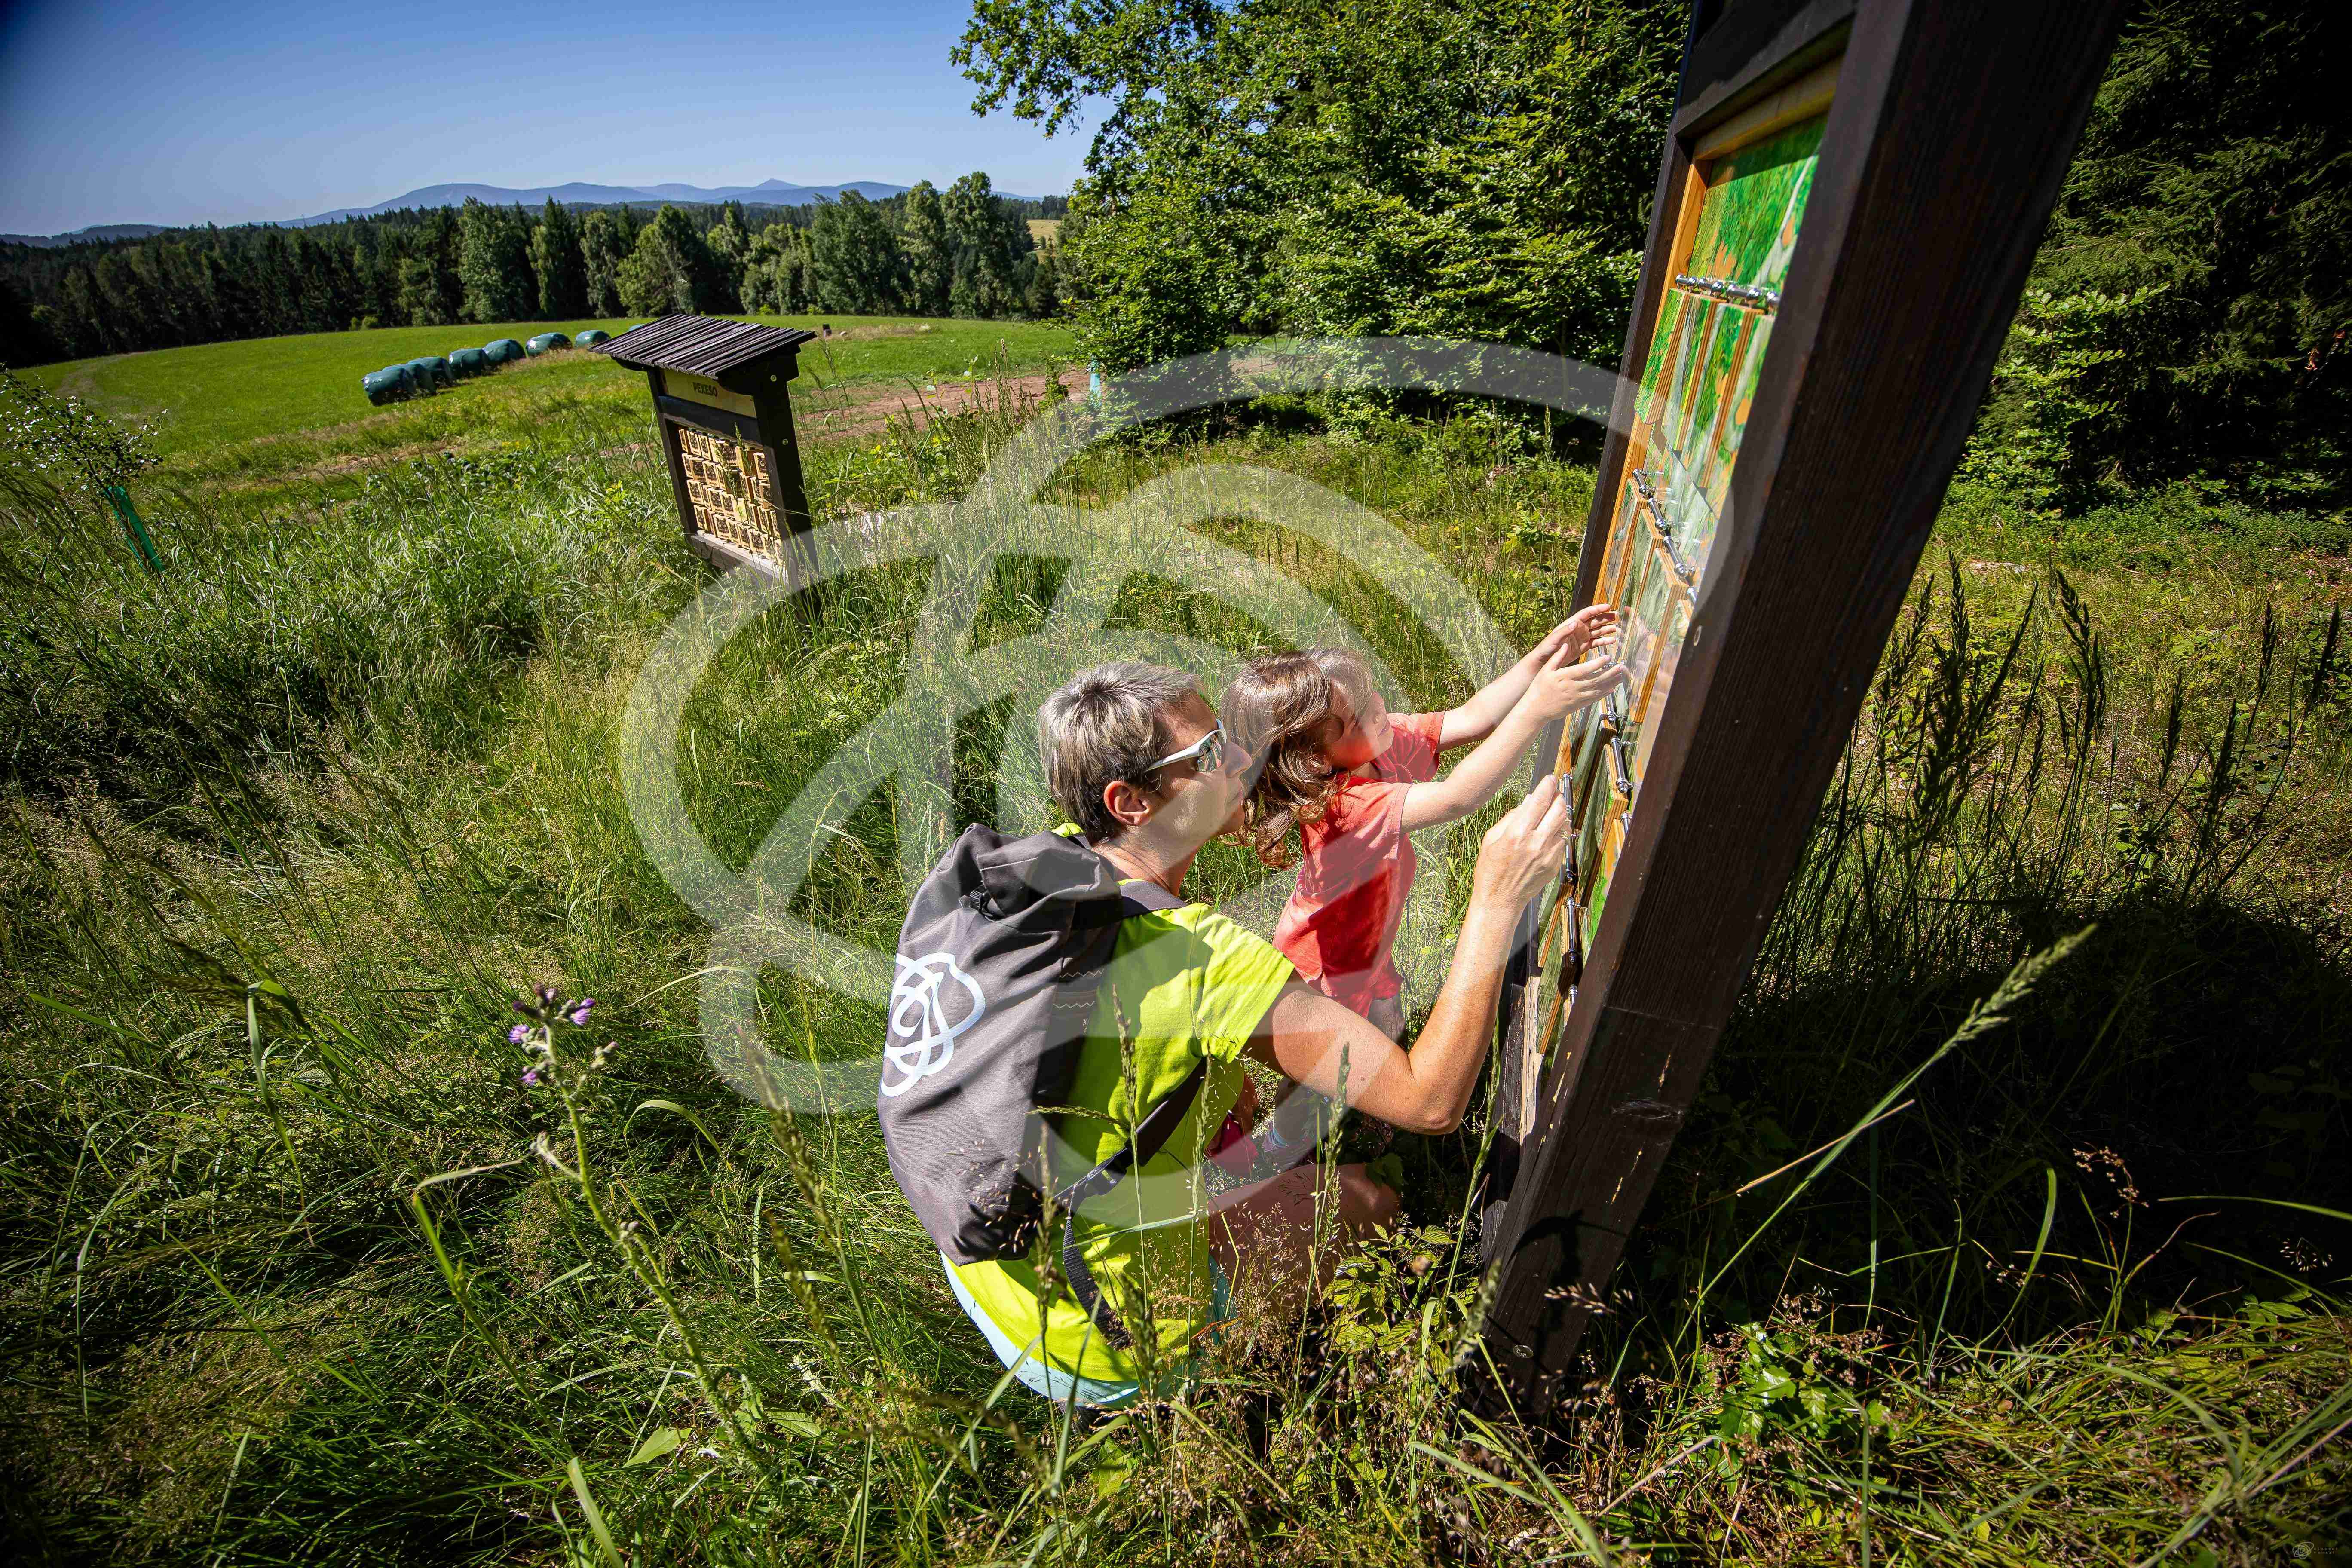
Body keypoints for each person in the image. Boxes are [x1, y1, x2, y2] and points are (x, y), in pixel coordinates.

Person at [942, 661, 1573, 1407]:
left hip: (995, 1267)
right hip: (1107, 1338)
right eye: (1210, 753)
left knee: (1265, 1151)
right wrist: (1495, 899)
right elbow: (1432, 1100)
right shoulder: (1197, 960)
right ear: (1131, 802)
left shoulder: (1038, 877)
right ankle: (1195, 1389)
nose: (1242, 760)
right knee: (1374, 1202)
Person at [1219, 610, 1623, 1039]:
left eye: (1373, 693)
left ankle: (1379, 1094)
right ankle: (1313, 1103)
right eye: (1360, 713)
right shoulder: (1343, 808)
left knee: (1386, 1031)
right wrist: (1536, 710)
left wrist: (1543, 657)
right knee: (1325, 1062)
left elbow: (1473, 716)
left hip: (1373, 937)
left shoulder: (1377, 747)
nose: (1380, 708)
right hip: (1332, 964)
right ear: (1319, 758)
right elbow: (1458, 797)